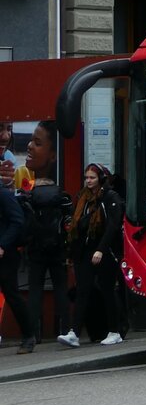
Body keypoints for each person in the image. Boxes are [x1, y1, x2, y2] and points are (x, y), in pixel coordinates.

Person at [57, 164, 125, 348]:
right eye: (86, 177)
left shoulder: (110, 197)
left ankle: (114, 331)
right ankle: (75, 333)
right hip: (84, 251)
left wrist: (101, 249)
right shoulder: (82, 198)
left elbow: (112, 226)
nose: (88, 181)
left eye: (92, 178)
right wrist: (71, 252)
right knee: (82, 291)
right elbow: (76, 226)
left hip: (104, 250)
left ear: (101, 179)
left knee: (107, 291)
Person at [23, 120, 71, 344]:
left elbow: (26, 222)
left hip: (36, 249)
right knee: (61, 288)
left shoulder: (30, 195)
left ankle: (34, 333)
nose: (30, 146)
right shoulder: (59, 194)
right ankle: (64, 328)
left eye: (37, 142)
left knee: (34, 291)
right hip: (57, 248)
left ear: (53, 155)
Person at [0, 183, 37, 353]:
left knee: (12, 294)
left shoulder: (4, 195)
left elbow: (17, 221)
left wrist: (3, 244)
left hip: (5, 255)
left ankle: (29, 336)